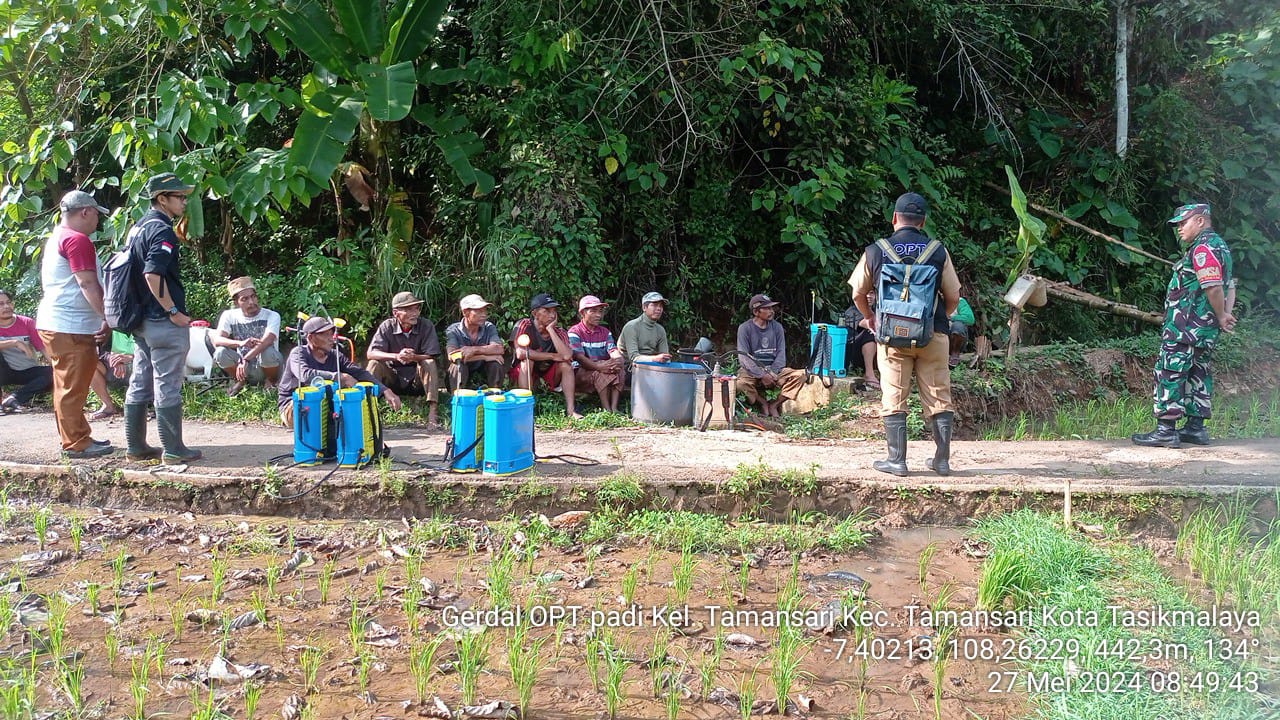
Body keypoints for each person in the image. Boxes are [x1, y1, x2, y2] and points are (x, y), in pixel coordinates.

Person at [849, 192, 961, 476]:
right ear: (923, 221)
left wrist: (870, 318)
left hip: (891, 335)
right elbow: (954, 295)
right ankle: (942, 461)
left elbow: (857, 292)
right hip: (933, 334)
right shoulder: (937, 250)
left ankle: (897, 461)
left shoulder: (876, 251)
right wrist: (942, 319)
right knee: (938, 395)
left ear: (894, 218)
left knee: (894, 394)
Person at [1132, 203, 1236, 448]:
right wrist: (1224, 315)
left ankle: (1166, 430)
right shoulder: (1220, 246)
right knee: (1198, 373)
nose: (1179, 228)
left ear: (1200, 221)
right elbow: (1230, 285)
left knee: (1170, 371)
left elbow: (1213, 286)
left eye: (1183, 222)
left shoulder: (1203, 248)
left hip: (1186, 327)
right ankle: (1195, 428)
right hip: (1204, 329)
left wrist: (1222, 315)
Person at [124, 172, 202, 463]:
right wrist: (173, 311)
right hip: (161, 320)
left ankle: (136, 448)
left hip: (140, 320)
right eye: (179, 197)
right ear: (162, 199)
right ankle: (173, 449)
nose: (184, 201)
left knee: (140, 381)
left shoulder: (137, 228)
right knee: (167, 383)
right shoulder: (162, 230)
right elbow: (151, 273)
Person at [34, 190, 115, 458]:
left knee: (67, 384)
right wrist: (106, 316)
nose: (97, 221)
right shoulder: (77, 240)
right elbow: (87, 283)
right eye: (95, 215)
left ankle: (77, 436)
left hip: (60, 323)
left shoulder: (58, 236)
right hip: (69, 325)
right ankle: (76, 443)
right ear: (85, 212)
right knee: (72, 386)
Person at [278, 316, 401, 428]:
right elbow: (305, 375)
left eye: (331, 334)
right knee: (314, 406)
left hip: (326, 405)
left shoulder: (336, 355)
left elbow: (359, 373)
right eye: (325, 335)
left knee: (351, 403)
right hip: (294, 405)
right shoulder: (298, 353)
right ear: (311, 337)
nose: (331, 338)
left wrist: (385, 390)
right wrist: (340, 377)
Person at [366, 291, 441, 426]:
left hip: (416, 379)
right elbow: (371, 353)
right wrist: (396, 356)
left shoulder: (426, 325)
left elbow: (432, 354)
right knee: (374, 364)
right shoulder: (387, 326)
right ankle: (367, 409)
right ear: (396, 313)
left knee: (429, 362)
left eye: (417, 308)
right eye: (409, 309)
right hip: (393, 378)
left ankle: (433, 411)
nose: (415, 313)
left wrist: (414, 357)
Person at [510, 293, 581, 419]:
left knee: (566, 365)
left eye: (554, 311)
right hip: (525, 373)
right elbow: (521, 353)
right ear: (535, 313)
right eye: (547, 311)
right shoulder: (524, 325)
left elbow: (567, 355)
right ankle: (525, 409)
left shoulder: (559, 331)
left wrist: (551, 330)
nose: (552, 315)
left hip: (549, 375)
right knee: (527, 361)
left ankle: (571, 410)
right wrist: (552, 356)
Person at [735, 293, 806, 417]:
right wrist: (761, 374)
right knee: (739, 384)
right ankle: (761, 402)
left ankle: (775, 404)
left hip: (774, 371)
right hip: (752, 371)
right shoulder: (745, 328)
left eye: (771, 308)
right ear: (756, 312)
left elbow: (781, 354)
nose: (771, 311)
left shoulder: (777, 327)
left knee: (801, 375)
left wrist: (771, 373)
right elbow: (744, 357)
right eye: (767, 308)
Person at [210, 276, 283, 396]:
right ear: (236, 302)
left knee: (267, 352)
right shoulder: (229, 315)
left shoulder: (272, 315)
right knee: (220, 352)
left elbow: (267, 341)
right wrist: (240, 343)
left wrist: (246, 359)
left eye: (253, 296)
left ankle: (270, 381)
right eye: (245, 299)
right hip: (243, 367)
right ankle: (240, 381)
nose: (251, 302)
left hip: (266, 365)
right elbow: (217, 340)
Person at [568, 295, 626, 413]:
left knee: (620, 369)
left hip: (602, 367)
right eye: (593, 311)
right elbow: (579, 357)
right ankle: (607, 409)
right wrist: (598, 366)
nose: (598, 315)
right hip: (580, 372)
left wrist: (618, 359)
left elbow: (612, 349)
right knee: (600, 372)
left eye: (600, 311)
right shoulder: (574, 332)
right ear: (583, 313)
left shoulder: (605, 332)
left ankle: (614, 407)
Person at [0, 289, 54, 415]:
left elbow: (43, 348)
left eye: (8, 302)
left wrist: (57, 366)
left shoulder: (26, 322)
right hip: (4, 371)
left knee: (55, 373)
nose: (6, 306)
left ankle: (14, 399)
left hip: (27, 370)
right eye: (1, 304)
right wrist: (15, 343)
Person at [445, 294, 505, 392]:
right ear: (465, 312)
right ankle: (457, 400)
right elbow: (452, 356)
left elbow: (499, 348)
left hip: (483, 369)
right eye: (478, 311)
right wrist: (486, 356)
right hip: (464, 368)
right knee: (457, 366)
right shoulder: (453, 330)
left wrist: (474, 350)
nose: (484, 314)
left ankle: (495, 398)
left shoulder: (489, 327)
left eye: (485, 310)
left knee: (496, 363)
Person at [617, 291, 672, 368]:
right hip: (628, 368)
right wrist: (655, 358)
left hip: (650, 366)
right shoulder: (632, 327)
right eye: (655, 305)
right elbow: (633, 357)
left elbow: (665, 357)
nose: (659, 309)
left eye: (661, 306)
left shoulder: (660, 330)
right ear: (644, 307)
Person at [87, 333, 133, 421]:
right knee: (89, 363)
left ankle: (140, 406)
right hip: (114, 367)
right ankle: (108, 406)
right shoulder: (111, 325)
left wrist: (131, 357)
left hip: (140, 365)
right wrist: (114, 359)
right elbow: (101, 352)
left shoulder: (146, 323)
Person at [841, 293, 880, 390]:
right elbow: (870, 325)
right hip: (853, 354)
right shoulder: (852, 311)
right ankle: (869, 374)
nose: (869, 296)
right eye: (865, 293)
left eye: (871, 293)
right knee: (870, 332)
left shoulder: (879, 311)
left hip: (876, 354)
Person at [948, 297, 975, 368]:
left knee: (958, 326)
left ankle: (955, 353)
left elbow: (970, 319)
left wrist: (951, 318)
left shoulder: (959, 301)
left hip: (955, 339)